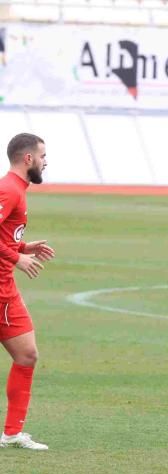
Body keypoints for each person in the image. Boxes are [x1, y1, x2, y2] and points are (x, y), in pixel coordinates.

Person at [0, 133, 56, 451]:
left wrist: (22, 246)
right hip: (1, 289)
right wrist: (16, 257)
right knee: (26, 355)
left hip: (5, 290)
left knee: (27, 355)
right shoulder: (8, 189)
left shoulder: (16, 189)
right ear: (28, 159)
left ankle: (11, 433)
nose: (46, 161)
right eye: (43, 156)